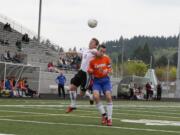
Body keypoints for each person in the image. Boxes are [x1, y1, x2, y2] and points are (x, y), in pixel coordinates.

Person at [66, 38, 99, 113]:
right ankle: (73, 105)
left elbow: (97, 54)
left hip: (87, 75)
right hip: (80, 72)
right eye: (90, 41)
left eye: (92, 42)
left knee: (81, 94)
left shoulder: (94, 51)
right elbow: (76, 52)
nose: (90, 42)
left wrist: (95, 52)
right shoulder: (85, 49)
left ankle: (90, 96)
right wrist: (67, 52)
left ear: (96, 45)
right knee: (71, 87)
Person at [88, 45, 113, 126]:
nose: (102, 53)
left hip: (105, 80)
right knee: (95, 96)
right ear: (97, 50)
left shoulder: (106, 58)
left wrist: (107, 71)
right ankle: (104, 115)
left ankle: (109, 119)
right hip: (96, 81)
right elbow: (89, 70)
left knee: (108, 97)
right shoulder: (92, 61)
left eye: (104, 52)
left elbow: (110, 69)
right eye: (101, 51)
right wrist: (90, 70)